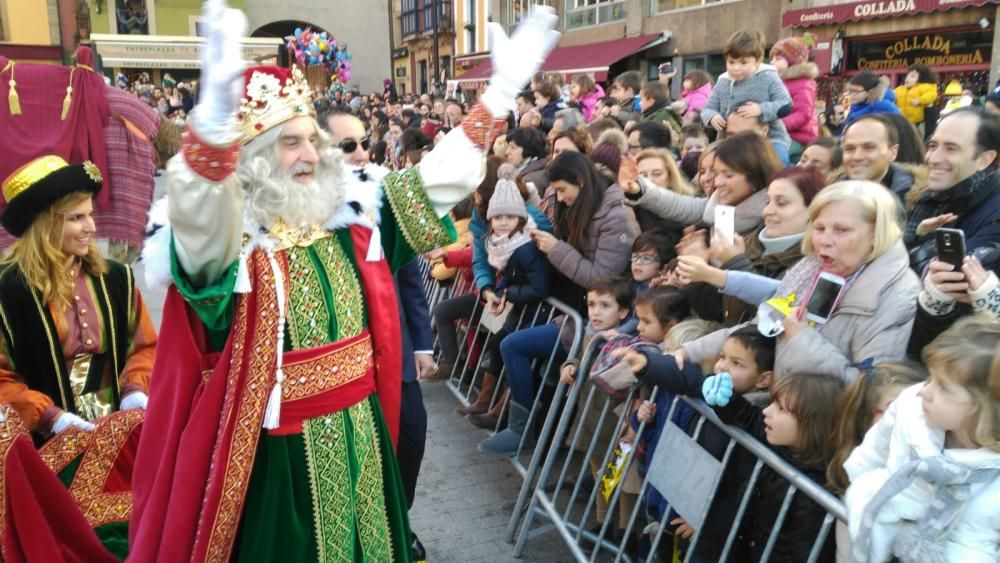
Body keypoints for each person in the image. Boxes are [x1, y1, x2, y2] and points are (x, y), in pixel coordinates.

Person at [129, 3, 559, 561]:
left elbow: (435, 182)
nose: (312, 155)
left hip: (360, 433)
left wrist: (498, 95)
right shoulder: (234, 246)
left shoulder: (352, 217)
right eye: (291, 143)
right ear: (254, 158)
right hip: (279, 460)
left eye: (313, 139)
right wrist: (207, 141)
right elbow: (198, 235)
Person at [0, 155, 157, 556]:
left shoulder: (117, 278)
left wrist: (136, 389)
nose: (90, 227)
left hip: (121, 432)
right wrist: (51, 418)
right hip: (46, 446)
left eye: (90, 215)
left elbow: (145, 347)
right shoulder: (8, 292)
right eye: (75, 218)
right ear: (45, 223)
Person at [681, 180, 920, 383]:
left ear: (875, 234)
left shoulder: (897, 296)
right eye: (819, 228)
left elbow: (869, 390)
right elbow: (761, 324)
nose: (824, 241)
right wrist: (686, 352)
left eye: (841, 230)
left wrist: (803, 338)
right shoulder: (811, 268)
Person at [480, 152, 639, 457]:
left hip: (598, 321)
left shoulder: (616, 215)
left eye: (563, 191)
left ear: (580, 182)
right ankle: (524, 429)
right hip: (573, 311)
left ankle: (522, 431)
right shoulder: (584, 208)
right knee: (515, 347)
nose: (561, 199)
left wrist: (556, 249)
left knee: (514, 345)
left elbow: (600, 277)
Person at [844, 316, 1000, 563]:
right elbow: (874, 449)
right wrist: (857, 484)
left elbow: (977, 541)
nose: (924, 391)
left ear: (984, 408)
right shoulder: (910, 406)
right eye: (930, 378)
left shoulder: (993, 479)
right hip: (872, 522)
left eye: (944, 387)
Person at [702, 371, 843, 563]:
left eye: (781, 409)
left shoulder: (816, 497)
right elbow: (749, 419)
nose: (766, 411)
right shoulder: (782, 443)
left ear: (813, 424)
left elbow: (800, 555)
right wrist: (727, 400)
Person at [676, 165, 826, 326]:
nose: (768, 211)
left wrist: (735, 263)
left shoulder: (814, 263)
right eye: (768, 202)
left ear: (813, 210)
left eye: (781, 203)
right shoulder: (748, 242)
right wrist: (696, 270)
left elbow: (773, 320)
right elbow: (717, 311)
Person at [904, 108, 1000, 275]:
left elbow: (952, 278)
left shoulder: (995, 216)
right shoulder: (926, 197)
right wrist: (918, 237)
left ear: (984, 160)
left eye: (951, 148)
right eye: (932, 145)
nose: (933, 158)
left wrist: (918, 244)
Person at [701, 30, 793, 165]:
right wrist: (712, 116)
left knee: (777, 162)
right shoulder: (723, 81)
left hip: (769, 139)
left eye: (743, 63)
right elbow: (707, 109)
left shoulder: (768, 76)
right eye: (731, 62)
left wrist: (761, 109)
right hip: (728, 141)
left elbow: (785, 104)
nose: (736, 68)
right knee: (710, 162)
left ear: (758, 61)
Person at [841, 114, 926, 199]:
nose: (857, 156)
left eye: (869, 147)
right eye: (849, 149)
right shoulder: (831, 195)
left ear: (893, 153)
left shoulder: (918, 202)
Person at [769, 36, 819, 160]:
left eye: (778, 59)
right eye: (772, 59)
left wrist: (779, 123)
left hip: (798, 136)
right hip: (782, 133)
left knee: (775, 156)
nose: (772, 62)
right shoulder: (778, 82)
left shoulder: (802, 83)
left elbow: (803, 113)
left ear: (792, 62)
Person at [894, 64, 938, 131]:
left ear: (920, 79)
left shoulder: (924, 87)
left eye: (912, 76)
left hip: (917, 120)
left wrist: (920, 100)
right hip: (903, 119)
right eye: (907, 76)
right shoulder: (901, 89)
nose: (907, 78)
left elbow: (931, 94)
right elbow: (892, 94)